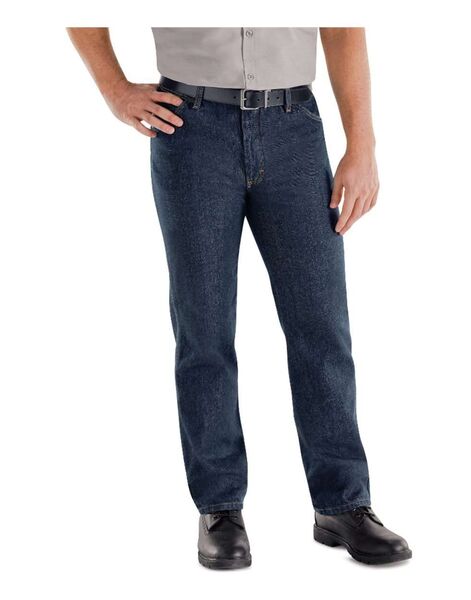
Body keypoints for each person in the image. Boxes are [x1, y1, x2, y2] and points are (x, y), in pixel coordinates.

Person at [67, 27, 412, 568]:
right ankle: (220, 508)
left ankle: (343, 505)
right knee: (203, 331)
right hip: (190, 127)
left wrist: (361, 144)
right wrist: (116, 90)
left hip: (294, 128)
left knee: (321, 327)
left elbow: (342, 25)